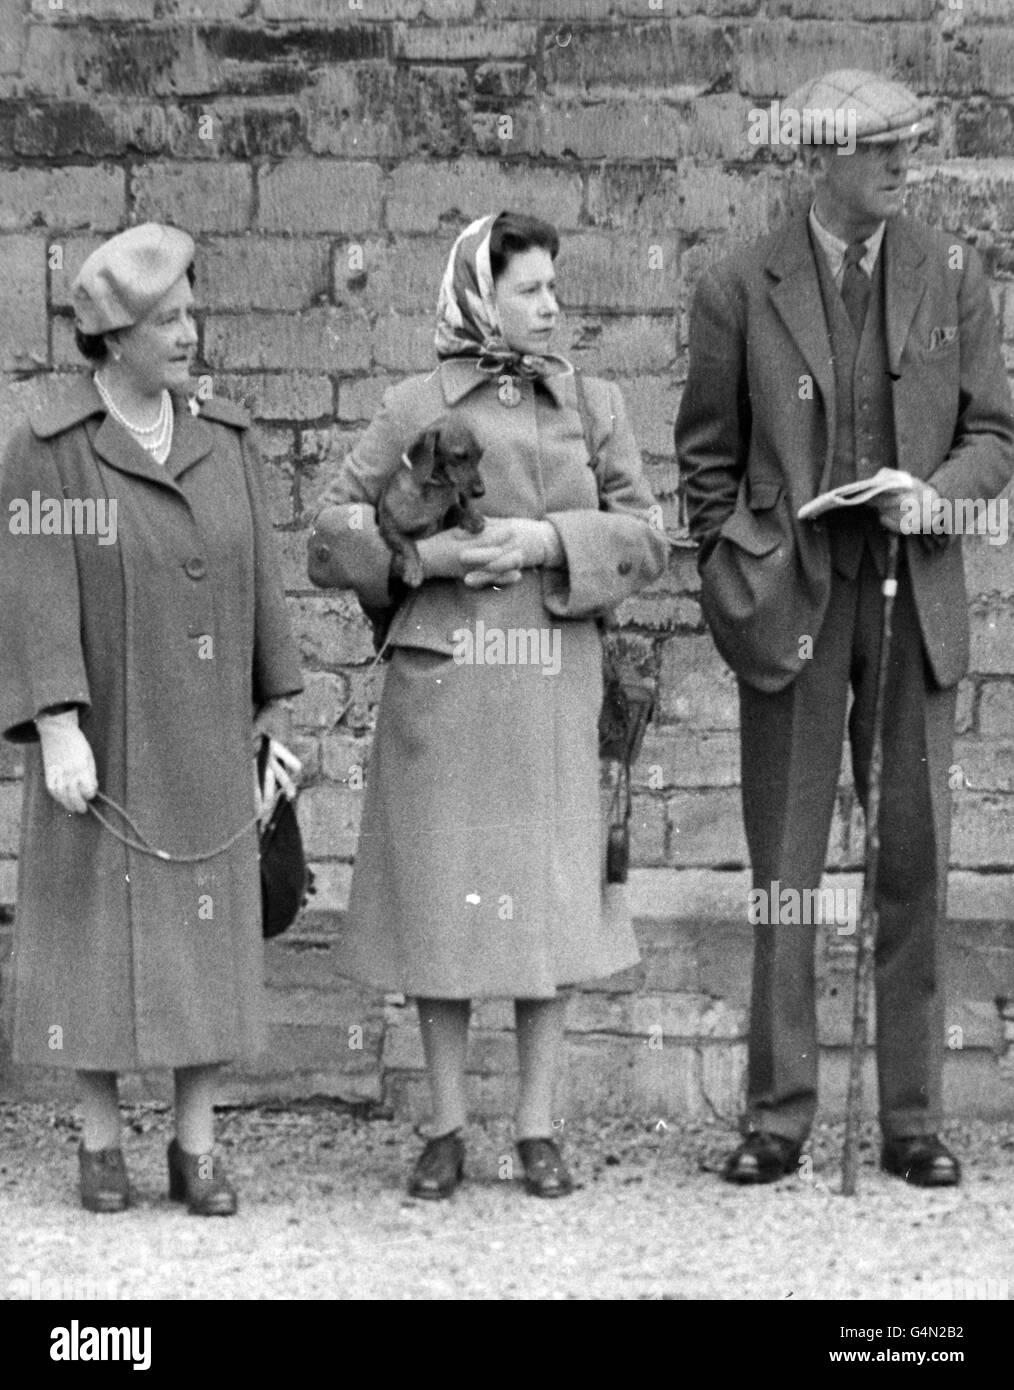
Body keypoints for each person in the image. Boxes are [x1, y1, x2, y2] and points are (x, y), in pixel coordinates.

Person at [676, 71, 1014, 1188]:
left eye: (908, 144)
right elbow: (707, 461)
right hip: (799, 601)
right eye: (877, 146)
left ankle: (911, 1117)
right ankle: (777, 1115)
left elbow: (996, 432)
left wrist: (938, 493)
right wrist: (743, 575)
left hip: (912, 598)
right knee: (786, 864)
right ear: (815, 158)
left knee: (914, 860)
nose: (901, 162)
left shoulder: (952, 274)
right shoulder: (737, 282)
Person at [310, 211, 668, 1199]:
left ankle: (540, 1128)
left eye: (556, 287)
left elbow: (649, 537)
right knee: (442, 900)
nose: (551, 306)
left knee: (549, 895)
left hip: (554, 681)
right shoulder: (415, 403)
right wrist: (424, 559)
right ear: (480, 294)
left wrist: (550, 543)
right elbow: (329, 529)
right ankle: (444, 1126)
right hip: (446, 683)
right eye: (529, 290)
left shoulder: (594, 404)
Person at [0, 224, 304, 1215]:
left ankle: (197, 1146)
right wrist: (55, 723)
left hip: (210, 732)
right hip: (107, 735)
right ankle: (97, 1142)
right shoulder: (51, 447)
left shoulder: (226, 438)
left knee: (207, 933)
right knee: (95, 920)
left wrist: (273, 719)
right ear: (116, 337)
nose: (189, 333)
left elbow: (262, 582)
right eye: (167, 320)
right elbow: (35, 587)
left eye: (190, 314)